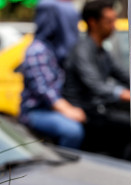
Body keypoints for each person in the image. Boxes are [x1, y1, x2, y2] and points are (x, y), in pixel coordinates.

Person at [62, 0, 130, 158]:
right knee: (130, 127)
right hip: (85, 111)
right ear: (93, 22)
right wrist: (126, 94)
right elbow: (96, 85)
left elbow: (122, 74)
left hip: (99, 109)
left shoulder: (102, 51)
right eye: (109, 21)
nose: (113, 25)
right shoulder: (82, 50)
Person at [18, 1, 85, 149]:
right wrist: (69, 110)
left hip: (53, 108)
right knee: (72, 131)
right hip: (36, 111)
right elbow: (46, 92)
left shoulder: (56, 50)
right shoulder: (37, 51)